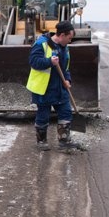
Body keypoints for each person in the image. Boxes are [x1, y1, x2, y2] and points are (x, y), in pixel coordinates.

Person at [26, 20, 75, 150]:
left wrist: (68, 80)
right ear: (62, 35)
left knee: (65, 112)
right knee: (43, 116)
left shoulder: (65, 48)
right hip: (44, 88)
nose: (70, 41)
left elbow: (66, 68)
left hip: (60, 87)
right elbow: (34, 62)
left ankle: (64, 142)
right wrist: (49, 61)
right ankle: (41, 142)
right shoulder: (41, 44)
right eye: (69, 38)